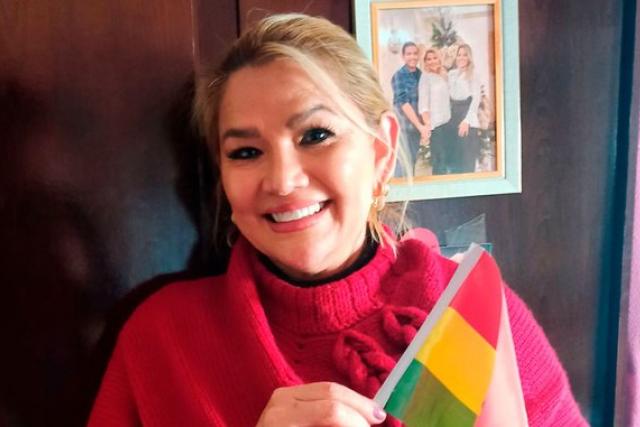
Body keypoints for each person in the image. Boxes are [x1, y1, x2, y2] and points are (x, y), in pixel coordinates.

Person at [88, 14, 588, 426]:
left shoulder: (472, 314)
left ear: (381, 149)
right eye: (245, 152)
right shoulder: (160, 341)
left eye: (315, 136)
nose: (282, 180)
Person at [390, 42, 427, 177]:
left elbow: (424, 102)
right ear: (403, 56)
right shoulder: (399, 76)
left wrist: (424, 126)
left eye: (415, 53)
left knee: (412, 164)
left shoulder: (420, 75)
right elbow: (403, 103)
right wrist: (420, 126)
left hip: (415, 130)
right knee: (402, 166)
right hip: (403, 129)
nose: (412, 57)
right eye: (409, 54)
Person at [448, 43, 482, 174]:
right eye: (459, 55)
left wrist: (466, 121)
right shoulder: (452, 74)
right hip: (453, 116)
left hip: (467, 115)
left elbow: (476, 99)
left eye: (465, 55)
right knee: (455, 159)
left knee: (467, 159)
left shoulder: (473, 75)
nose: (461, 57)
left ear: (469, 57)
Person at [418, 48, 451, 175]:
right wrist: (428, 126)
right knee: (439, 162)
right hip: (435, 127)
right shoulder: (425, 77)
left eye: (434, 58)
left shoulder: (443, 75)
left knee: (446, 161)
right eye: (428, 59)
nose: (432, 61)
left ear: (439, 59)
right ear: (425, 62)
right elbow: (423, 105)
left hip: (447, 123)